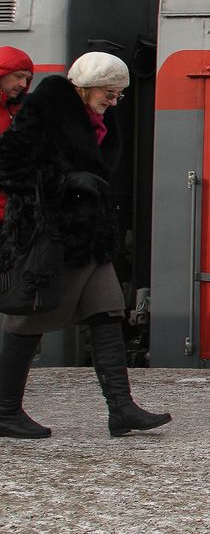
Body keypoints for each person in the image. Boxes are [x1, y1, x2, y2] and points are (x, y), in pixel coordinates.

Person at [0, 52, 171, 439]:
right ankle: (5, 409)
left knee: (108, 313)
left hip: (90, 237)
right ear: (86, 85)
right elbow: (9, 166)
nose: (114, 102)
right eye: (109, 93)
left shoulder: (101, 116)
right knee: (29, 320)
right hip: (49, 235)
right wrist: (67, 181)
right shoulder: (45, 106)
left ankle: (122, 410)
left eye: (119, 96)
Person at [0, 46, 34, 226]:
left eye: (27, 79)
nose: (23, 84)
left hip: (13, 214)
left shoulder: (20, 111)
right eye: (18, 76)